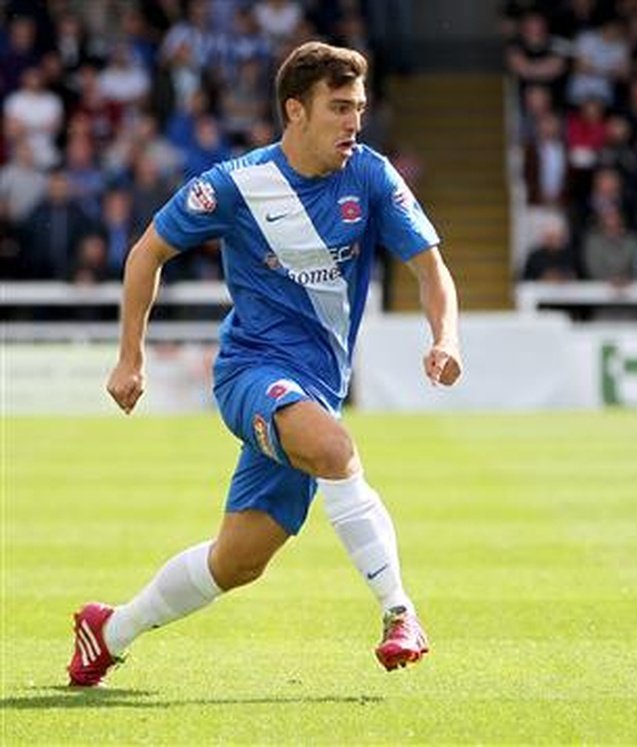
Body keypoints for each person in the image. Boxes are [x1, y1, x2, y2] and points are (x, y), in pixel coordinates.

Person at [67, 42, 462, 687]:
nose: (353, 123)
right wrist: (129, 359)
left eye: (358, 108)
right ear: (295, 110)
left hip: (315, 391)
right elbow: (145, 254)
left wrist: (446, 338)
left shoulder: (371, 175)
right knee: (335, 449)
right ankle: (400, 612)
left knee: (238, 561)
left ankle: (109, 631)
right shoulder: (234, 184)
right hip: (252, 372)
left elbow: (430, 268)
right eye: (338, 108)